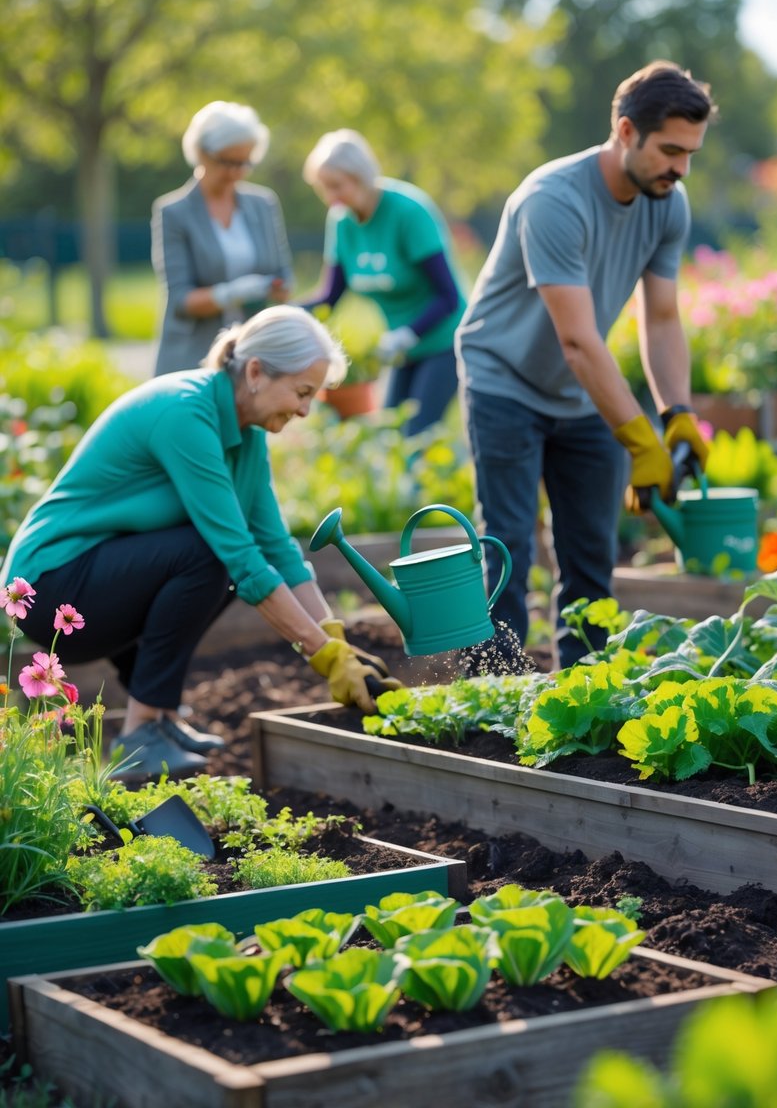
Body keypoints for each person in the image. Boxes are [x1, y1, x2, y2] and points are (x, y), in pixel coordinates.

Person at [1, 307, 400, 777]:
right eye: (302, 392)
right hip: (50, 587)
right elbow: (242, 558)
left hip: (100, 580)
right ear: (255, 372)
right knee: (212, 555)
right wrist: (320, 652)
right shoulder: (185, 413)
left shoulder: (245, 436)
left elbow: (277, 550)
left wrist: (339, 643)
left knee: (216, 560)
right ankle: (140, 732)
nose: (305, 410)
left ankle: (161, 719)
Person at [456, 61, 715, 669]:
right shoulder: (554, 200)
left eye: (692, 154)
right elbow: (576, 340)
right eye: (671, 150)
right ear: (626, 132)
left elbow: (661, 320)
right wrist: (637, 436)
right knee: (509, 546)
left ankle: (583, 696)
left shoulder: (666, 203)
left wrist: (676, 414)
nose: (681, 169)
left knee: (592, 554)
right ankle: (496, 693)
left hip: (581, 394)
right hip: (506, 381)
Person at [302, 129, 466, 435]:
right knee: (390, 434)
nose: (331, 198)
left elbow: (449, 296)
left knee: (419, 432)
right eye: (324, 189)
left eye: (338, 186)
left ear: (361, 177)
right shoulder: (340, 221)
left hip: (444, 340)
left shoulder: (408, 211)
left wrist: (407, 334)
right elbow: (330, 296)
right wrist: (282, 315)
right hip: (401, 348)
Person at [153, 100, 294, 376]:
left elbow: (283, 276)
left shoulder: (263, 204)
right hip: (194, 354)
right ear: (201, 153)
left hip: (253, 354)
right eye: (227, 162)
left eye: (244, 163)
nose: (236, 172)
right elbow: (182, 300)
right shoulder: (174, 212)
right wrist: (236, 292)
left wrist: (276, 286)